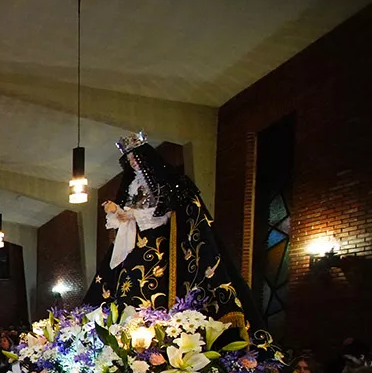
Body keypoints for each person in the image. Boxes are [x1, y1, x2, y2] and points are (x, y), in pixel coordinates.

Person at [82, 132, 259, 328]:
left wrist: (132, 215)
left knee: (151, 280)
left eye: (135, 158)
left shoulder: (162, 182)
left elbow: (164, 211)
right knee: (125, 281)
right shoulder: (132, 185)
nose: (133, 163)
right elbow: (125, 217)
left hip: (155, 241)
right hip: (132, 242)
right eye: (130, 160)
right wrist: (116, 211)